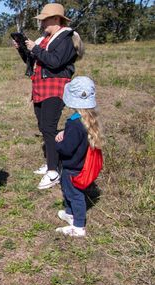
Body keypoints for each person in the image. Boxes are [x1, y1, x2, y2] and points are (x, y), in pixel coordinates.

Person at [13, 3, 83, 189]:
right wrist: (22, 49)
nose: (42, 23)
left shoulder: (67, 38)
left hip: (55, 86)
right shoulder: (45, 38)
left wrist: (35, 48)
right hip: (40, 86)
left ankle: (53, 172)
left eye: (45, 20)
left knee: (49, 127)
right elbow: (34, 61)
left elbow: (55, 62)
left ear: (56, 19)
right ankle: (53, 162)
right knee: (44, 126)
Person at [55, 76, 102, 237]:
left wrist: (58, 144)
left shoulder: (74, 124)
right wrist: (65, 133)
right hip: (80, 165)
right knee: (69, 191)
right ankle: (70, 213)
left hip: (72, 167)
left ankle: (79, 226)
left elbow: (67, 149)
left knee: (75, 195)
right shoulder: (85, 119)